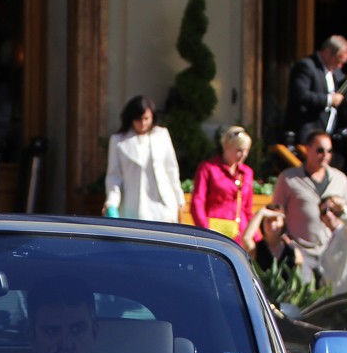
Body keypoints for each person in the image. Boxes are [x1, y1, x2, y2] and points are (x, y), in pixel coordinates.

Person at [257, 129, 347, 275]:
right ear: (307, 149)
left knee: (330, 290)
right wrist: (288, 245)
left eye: (329, 151)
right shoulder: (288, 178)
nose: (325, 155)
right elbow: (277, 213)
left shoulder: (340, 179)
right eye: (320, 150)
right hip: (301, 252)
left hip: (332, 250)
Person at [103, 95, 184, 223]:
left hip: (163, 206)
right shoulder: (118, 141)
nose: (143, 123)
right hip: (134, 207)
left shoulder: (162, 135)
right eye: (138, 119)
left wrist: (179, 199)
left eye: (146, 118)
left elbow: (171, 169)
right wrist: (111, 203)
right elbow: (114, 176)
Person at [190, 126, 260, 248]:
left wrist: (258, 239)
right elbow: (197, 202)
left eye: (246, 150)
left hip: (240, 235)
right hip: (214, 233)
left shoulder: (247, 173)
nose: (243, 155)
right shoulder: (208, 168)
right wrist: (205, 231)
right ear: (227, 147)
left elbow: (247, 209)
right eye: (239, 150)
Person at [285, 35, 347, 141]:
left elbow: (342, 88)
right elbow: (300, 95)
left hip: (327, 133)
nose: (340, 66)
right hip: (308, 134)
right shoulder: (306, 66)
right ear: (327, 52)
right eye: (338, 61)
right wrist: (329, 100)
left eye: (343, 63)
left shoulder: (334, 70)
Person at [28, 279, 97, 353]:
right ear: (33, 339)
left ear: (94, 333)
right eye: (51, 331)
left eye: (77, 329)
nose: (66, 345)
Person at [252, 204, 302, 281]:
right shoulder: (256, 248)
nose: (272, 224)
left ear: (283, 223)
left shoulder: (291, 249)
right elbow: (246, 237)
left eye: (276, 220)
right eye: (268, 220)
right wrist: (261, 213)